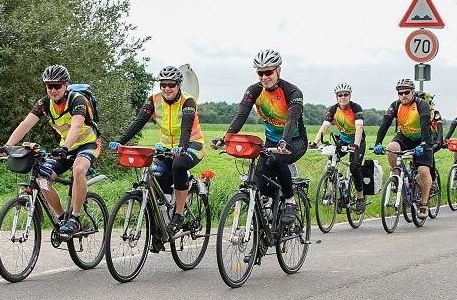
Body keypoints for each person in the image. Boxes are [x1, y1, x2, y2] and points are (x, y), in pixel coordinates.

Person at [0, 64, 100, 236]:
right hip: (66, 147)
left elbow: (76, 127)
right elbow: (26, 124)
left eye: (57, 86)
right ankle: (63, 219)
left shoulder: (77, 100)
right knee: (42, 177)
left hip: (88, 144)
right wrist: (7, 146)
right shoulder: (45, 103)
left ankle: (75, 219)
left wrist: (64, 148)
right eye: (49, 86)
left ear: (66, 85)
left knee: (78, 170)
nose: (53, 90)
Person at [106, 65, 203, 231]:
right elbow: (138, 122)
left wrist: (181, 147)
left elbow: (186, 128)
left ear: (179, 85)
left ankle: (179, 214)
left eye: (171, 85)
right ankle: (161, 226)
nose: (167, 88)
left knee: (178, 165)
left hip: (192, 144)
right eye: (163, 84)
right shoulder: (154, 100)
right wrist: (121, 142)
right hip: (165, 147)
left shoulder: (188, 101)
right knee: (158, 177)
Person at [216, 49, 306, 224]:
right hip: (272, 141)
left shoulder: (293, 92)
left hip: (294, 141)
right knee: (260, 176)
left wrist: (284, 142)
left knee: (277, 159)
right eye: (260, 73)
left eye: (268, 72)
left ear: (278, 70)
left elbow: (292, 120)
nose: (264, 77)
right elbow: (241, 115)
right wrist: (225, 138)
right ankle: (265, 221)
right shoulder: (254, 90)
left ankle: (290, 201)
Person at [373, 79, 436, 214]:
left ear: (413, 92)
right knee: (392, 147)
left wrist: (424, 144)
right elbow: (385, 124)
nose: (403, 95)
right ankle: (397, 177)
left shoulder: (422, 104)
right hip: (405, 136)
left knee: (423, 171)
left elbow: (425, 125)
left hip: (423, 138)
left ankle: (424, 203)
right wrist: (378, 142)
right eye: (400, 93)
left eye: (406, 92)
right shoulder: (395, 105)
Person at [316, 83, 369, 212]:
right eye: (340, 95)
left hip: (357, 142)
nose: (343, 97)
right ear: (336, 97)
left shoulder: (356, 108)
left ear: (350, 96)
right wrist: (315, 142)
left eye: (346, 95)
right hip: (342, 141)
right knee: (331, 161)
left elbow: (359, 128)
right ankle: (333, 188)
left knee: (354, 167)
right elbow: (324, 127)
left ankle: (360, 198)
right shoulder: (333, 109)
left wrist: (355, 145)